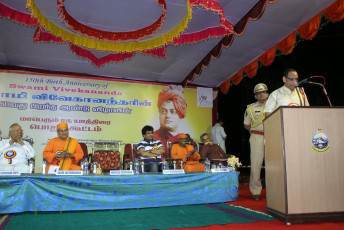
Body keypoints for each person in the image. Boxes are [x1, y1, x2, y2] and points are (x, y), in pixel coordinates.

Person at [243, 83, 269, 201]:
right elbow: (246, 125)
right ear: (255, 96)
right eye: (259, 93)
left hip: (273, 137)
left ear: (267, 93)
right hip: (257, 137)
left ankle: (276, 189)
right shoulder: (251, 108)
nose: (262, 94)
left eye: (264, 92)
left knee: (276, 164)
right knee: (256, 164)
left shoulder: (275, 105)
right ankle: (256, 191)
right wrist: (256, 132)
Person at [153, 85, 188, 155]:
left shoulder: (186, 138)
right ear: (159, 113)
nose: (168, 116)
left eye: (173, 112)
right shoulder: (153, 138)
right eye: (163, 111)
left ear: (180, 114)